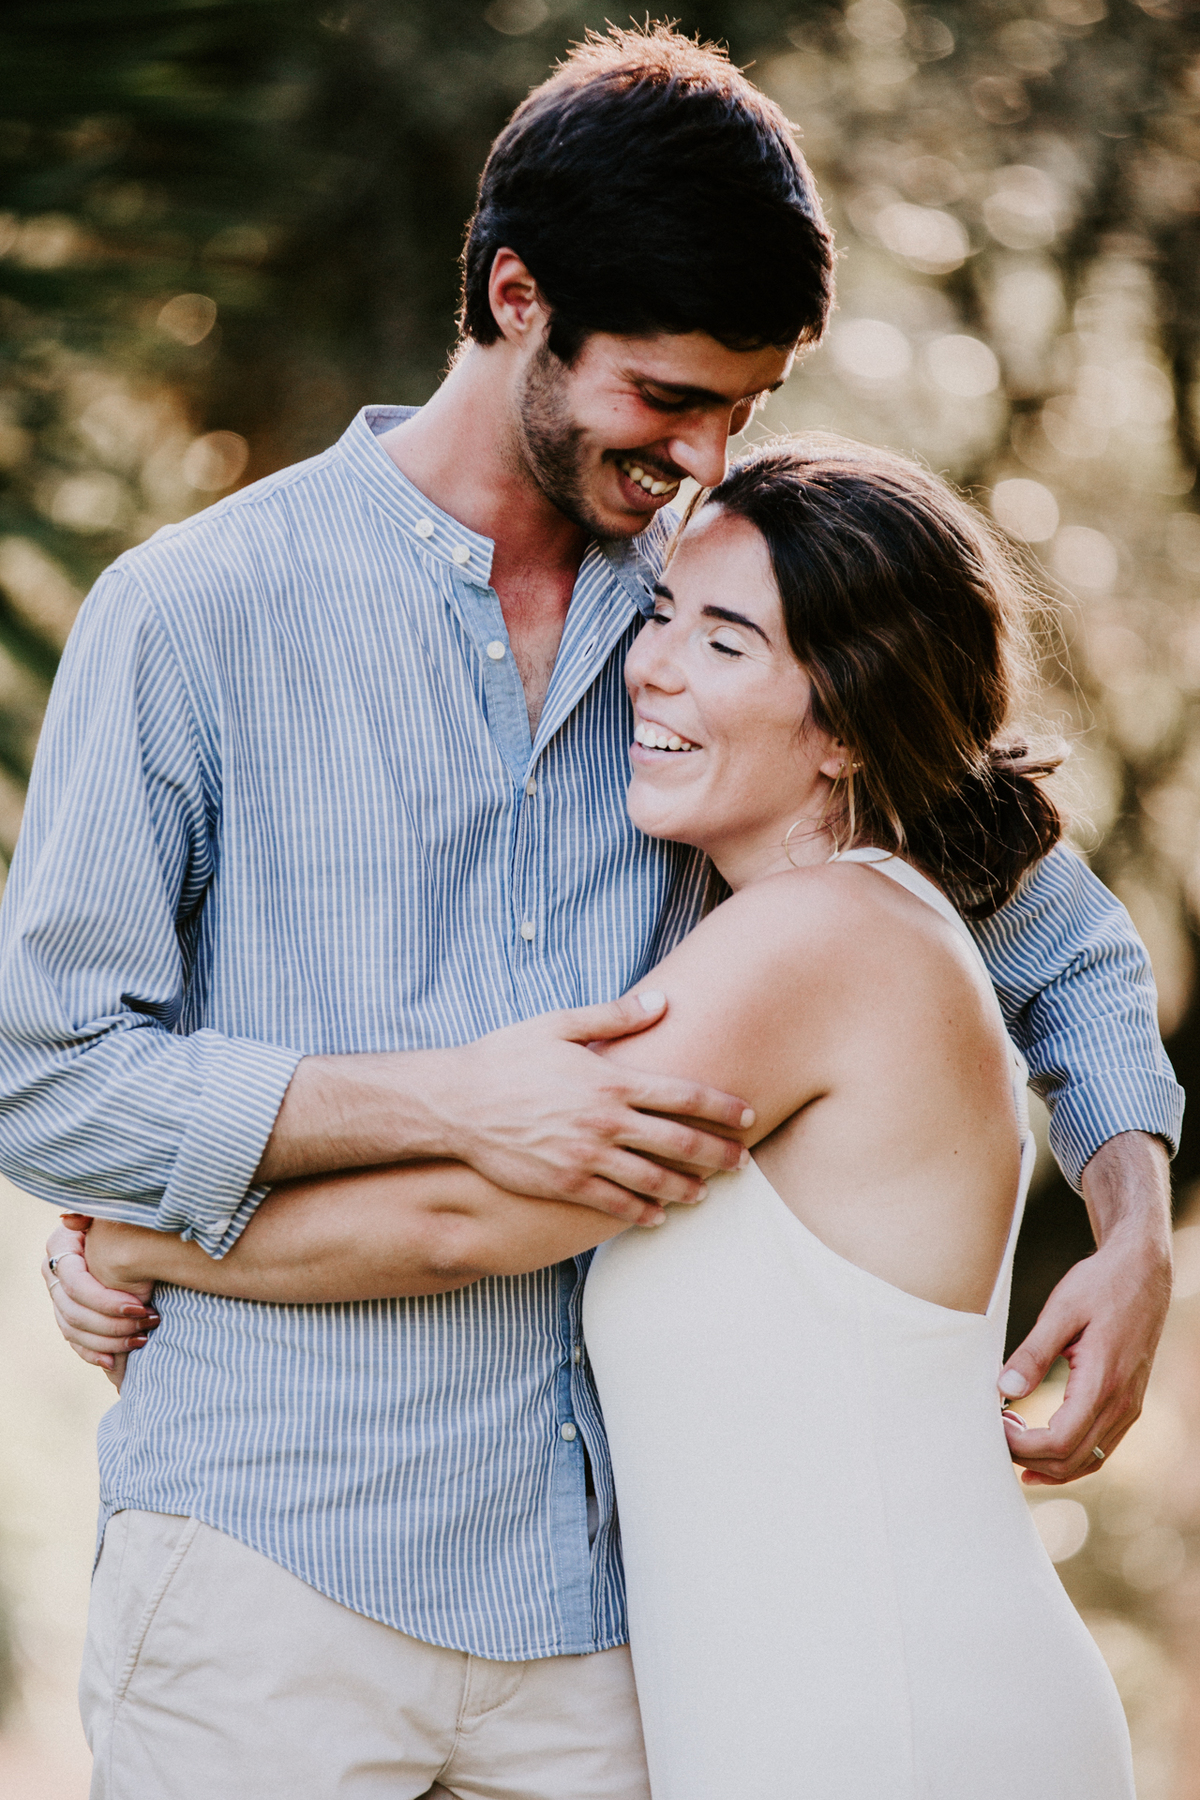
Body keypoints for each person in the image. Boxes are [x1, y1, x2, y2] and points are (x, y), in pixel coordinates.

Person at [7, 23, 1175, 1800]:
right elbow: (45, 1076)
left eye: (742, 409)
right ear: (514, 295)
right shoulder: (198, 617)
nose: (702, 455)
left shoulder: (728, 622)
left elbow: (1054, 933)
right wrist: (431, 1100)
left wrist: (1132, 1210)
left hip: (614, 1627)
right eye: (666, 399)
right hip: (271, 1579)